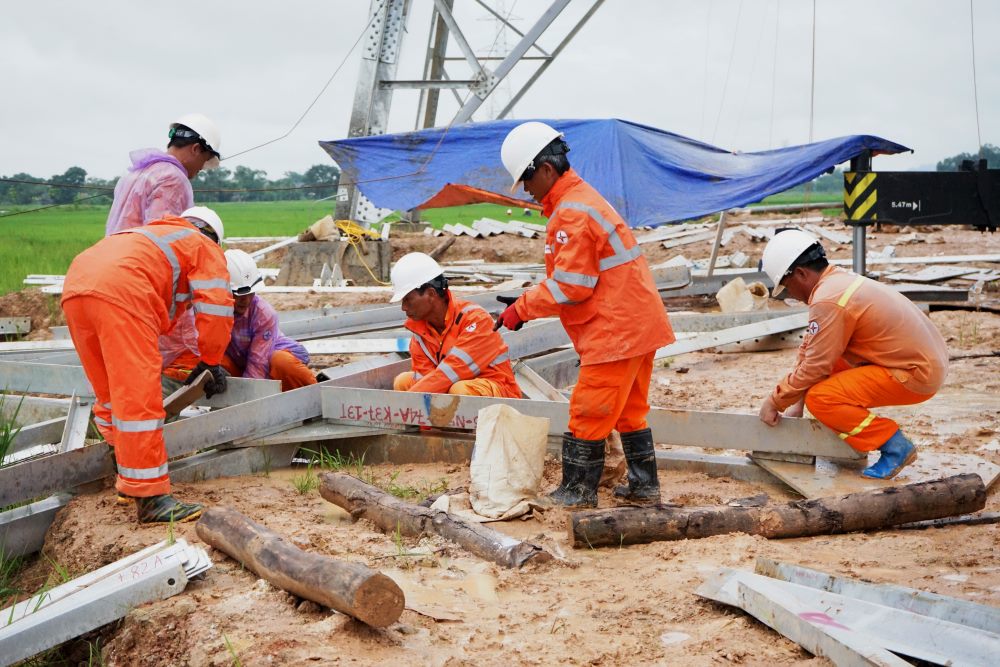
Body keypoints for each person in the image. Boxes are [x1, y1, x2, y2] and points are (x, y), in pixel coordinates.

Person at [495, 122, 675, 508]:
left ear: (545, 169)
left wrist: (521, 309)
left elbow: (572, 286)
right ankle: (644, 487)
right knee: (630, 411)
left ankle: (577, 492)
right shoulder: (584, 200)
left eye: (526, 179)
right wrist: (528, 300)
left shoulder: (571, 212)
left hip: (615, 332)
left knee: (588, 411)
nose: (526, 189)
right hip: (637, 325)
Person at [61, 207, 233, 523]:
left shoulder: (155, 234)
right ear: (214, 238)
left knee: (111, 394)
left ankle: (126, 470)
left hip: (77, 285)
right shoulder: (203, 246)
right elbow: (217, 308)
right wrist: (210, 361)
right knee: (139, 401)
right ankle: (151, 497)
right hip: (123, 292)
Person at [757, 229, 949, 479]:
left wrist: (774, 401)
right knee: (827, 368)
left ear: (801, 274)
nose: (789, 293)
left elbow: (815, 366)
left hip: (916, 374)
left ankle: (894, 446)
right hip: (921, 362)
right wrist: (795, 404)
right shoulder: (837, 283)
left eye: (786, 286)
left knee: (822, 398)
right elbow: (812, 350)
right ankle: (862, 436)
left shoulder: (828, 300)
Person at [390, 252, 520, 398]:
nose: (404, 307)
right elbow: (428, 381)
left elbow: (453, 371)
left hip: (499, 393)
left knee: (459, 390)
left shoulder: (476, 320)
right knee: (404, 382)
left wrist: (404, 403)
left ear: (431, 294)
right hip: (453, 388)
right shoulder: (420, 333)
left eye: (408, 299)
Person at [105, 113, 222, 236]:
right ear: (196, 149)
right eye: (204, 160)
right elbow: (162, 236)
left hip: (114, 251)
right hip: (140, 253)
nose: (201, 168)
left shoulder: (136, 172)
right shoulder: (172, 178)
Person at [218, 249, 317, 392]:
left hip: (270, 363)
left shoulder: (263, 313)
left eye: (250, 293)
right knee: (214, 362)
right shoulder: (214, 310)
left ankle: (314, 397)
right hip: (242, 363)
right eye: (238, 295)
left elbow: (258, 363)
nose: (245, 300)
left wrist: (247, 402)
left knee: (281, 362)